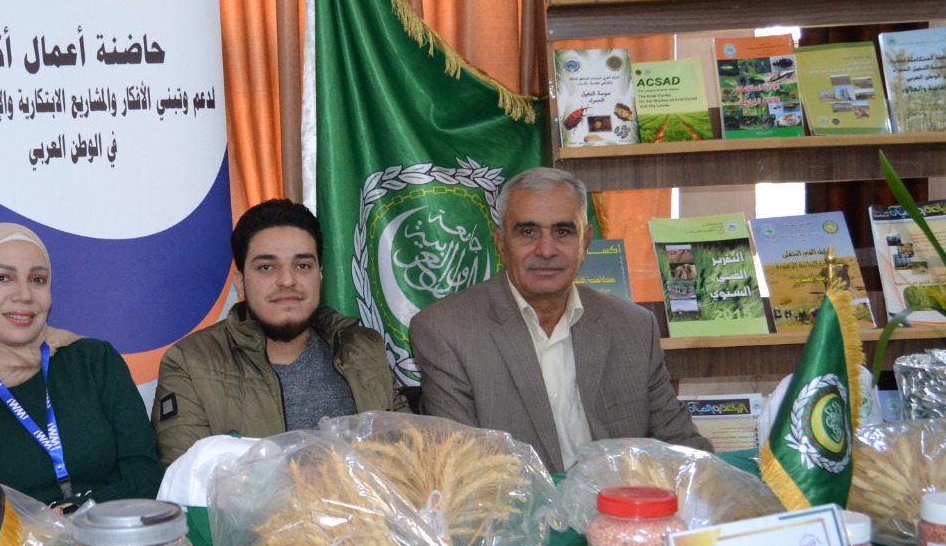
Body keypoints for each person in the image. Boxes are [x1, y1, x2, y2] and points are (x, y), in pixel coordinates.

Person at [409, 166, 708, 474]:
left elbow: (683, 448)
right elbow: (461, 474)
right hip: (515, 504)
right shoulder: (446, 332)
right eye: (528, 232)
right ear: (500, 242)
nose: (546, 250)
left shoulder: (634, 326)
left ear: (586, 241)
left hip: (622, 501)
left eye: (563, 232)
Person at [151, 199, 407, 466]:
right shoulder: (189, 364)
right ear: (241, 282)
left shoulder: (365, 349)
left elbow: (413, 458)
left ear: (320, 276)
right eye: (266, 267)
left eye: (302, 265)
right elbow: (190, 480)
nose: (287, 280)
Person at [0, 222, 163, 507]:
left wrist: (77, 514)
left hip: (109, 532)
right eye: (3, 278)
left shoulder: (94, 363)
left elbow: (145, 474)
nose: (24, 294)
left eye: (38, 279)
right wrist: (37, 527)